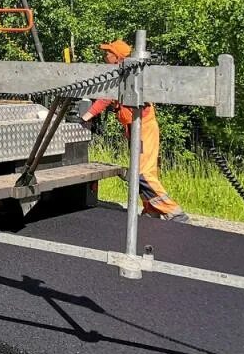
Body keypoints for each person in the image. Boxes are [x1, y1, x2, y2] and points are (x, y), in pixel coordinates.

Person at [81, 39, 188, 222]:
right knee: (145, 172)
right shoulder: (121, 72)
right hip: (135, 127)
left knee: (142, 174)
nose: (105, 56)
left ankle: (173, 211)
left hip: (144, 127)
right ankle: (152, 209)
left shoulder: (125, 73)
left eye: (108, 53)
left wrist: (85, 117)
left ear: (117, 57)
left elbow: (106, 98)